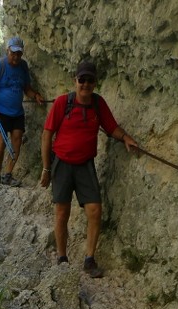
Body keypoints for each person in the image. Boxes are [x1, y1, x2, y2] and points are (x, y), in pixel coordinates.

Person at [40, 60, 138, 276]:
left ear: (95, 83)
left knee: (94, 210)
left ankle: (89, 259)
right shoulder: (62, 103)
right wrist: (46, 169)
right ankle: (62, 257)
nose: (85, 84)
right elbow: (47, 135)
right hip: (62, 164)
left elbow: (111, 127)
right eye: (81, 79)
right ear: (75, 80)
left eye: (90, 80)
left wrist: (126, 138)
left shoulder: (97, 103)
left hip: (85, 165)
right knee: (62, 211)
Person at [0, 36, 45, 186]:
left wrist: (36, 95)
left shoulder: (23, 66)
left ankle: (8, 174)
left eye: (19, 54)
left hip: (17, 111)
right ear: (8, 51)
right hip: (0, 111)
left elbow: (26, 89)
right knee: (1, 142)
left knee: (17, 140)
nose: (16, 57)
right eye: (13, 53)